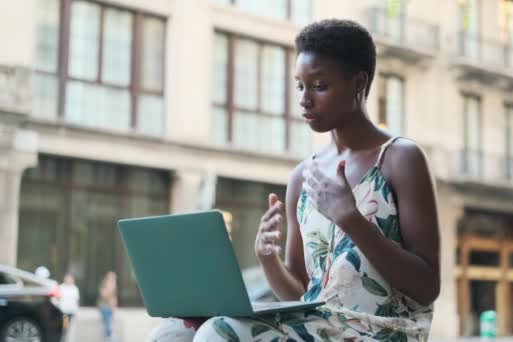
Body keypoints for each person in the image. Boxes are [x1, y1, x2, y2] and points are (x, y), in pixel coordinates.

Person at [147, 18, 440, 342]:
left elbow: (427, 287)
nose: (304, 99)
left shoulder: (401, 158)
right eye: (300, 86)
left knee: (219, 333)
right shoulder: (303, 176)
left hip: (381, 330)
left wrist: (350, 218)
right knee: (173, 331)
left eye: (319, 86)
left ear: (358, 83)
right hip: (316, 323)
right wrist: (267, 258)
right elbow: (299, 291)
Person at [98, 271, 118, 341]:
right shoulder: (105, 285)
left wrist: (114, 308)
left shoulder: (114, 286)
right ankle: (109, 337)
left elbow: (114, 299)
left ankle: (109, 337)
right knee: (108, 325)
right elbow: (103, 295)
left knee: (110, 324)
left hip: (111, 308)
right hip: (105, 307)